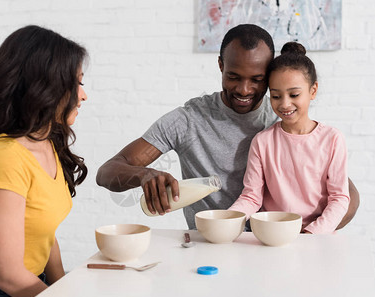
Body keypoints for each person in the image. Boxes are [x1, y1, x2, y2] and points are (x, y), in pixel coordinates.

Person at [96, 24, 359, 230]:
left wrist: (306, 236)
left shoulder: (281, 120)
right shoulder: (188, 120)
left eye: (257, 79)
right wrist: (144, 175)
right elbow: (107, 171)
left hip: (270, 242)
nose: (244, 89)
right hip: (211, 243)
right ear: (221, 65)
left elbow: (346, 196)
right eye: (233, 77)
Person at [0, 25, 88, 297]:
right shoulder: (5, 158)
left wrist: (63, 287)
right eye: (77, 83)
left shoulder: (48, 143)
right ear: (46, 87)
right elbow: (8, 275)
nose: (83, 95)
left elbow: (44, 231)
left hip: (27, 283)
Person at [229, 42, 349, 234]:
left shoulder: (332, 139)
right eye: (276, 96)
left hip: (317, 237)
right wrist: (227, 219)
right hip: (272, 236)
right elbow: (251, 197)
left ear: (313, 90)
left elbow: (339, 198)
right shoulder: (262, 142)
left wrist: (311, 233)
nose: (285, 104)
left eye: (294, 94)